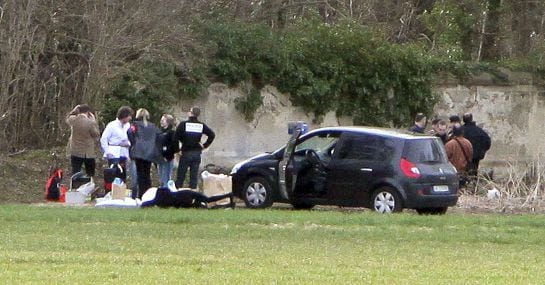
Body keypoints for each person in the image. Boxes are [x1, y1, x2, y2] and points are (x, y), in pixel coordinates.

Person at [174, 106, 215, 189]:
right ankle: (193, 196)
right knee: (193, 177)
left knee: (181, 176)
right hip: (196, 153)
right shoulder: (201, 125)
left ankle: (177, 195)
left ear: (190, 113)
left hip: (185, 152)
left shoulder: (183, 124)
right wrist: (204, 145)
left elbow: (175, 138)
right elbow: (212, 135)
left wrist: (177, 150)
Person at [127, 108, 163, 199]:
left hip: (138, 152)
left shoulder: (135, 125)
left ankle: (141, 195)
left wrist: (133, 143)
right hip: (150, 152)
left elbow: (129, 132)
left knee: (140, 173)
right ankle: (148, 193)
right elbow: (159, 136)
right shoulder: (153, 126)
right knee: (147, 173)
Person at [65, 104, 100, 177]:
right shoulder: (90, 122)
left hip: (75, 150)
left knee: (75, 171)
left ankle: (75, 185)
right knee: (90, 173)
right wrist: (94, 122)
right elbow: (96, 134)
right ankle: (89, 184)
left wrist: (74, 111)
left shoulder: (73, 120)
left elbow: (67, 118)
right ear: (88, 112)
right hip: (87, 152)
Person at [140, 186, 234, 209]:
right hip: (187, 193)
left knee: (206, 207)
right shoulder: (170, 196)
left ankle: (228, 204)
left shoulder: (159, 202)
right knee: (208, 200)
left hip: (186, 201)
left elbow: (146, 204)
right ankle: (228, 196)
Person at [461, 113, 491, 177]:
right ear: (471, 119)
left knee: (464, 175)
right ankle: (473, 184)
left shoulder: (461, 131)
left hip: (464, 157)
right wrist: (482, 151)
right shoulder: (480, 131)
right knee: (474, 173)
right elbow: (488, 142)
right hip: (476, 156)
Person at [157, 114, 179, 187]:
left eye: (163, 120)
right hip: (159, 158)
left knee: (166, 177)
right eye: (161, 120)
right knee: (161, 178)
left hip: (167, 158)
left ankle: (166, 192)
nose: (161, 122)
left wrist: (167, 156)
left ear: (168, 122)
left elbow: (174, 146)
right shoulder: (159, 132)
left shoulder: (171, 132)